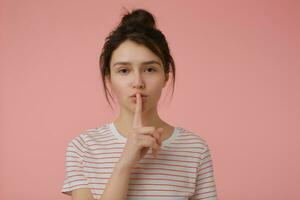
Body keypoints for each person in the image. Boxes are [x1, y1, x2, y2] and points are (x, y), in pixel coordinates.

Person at [61, 8, 218, 200]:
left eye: (150, 69)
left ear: (165, 77)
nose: (138, 82)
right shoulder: (83, 147)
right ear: (109, 78)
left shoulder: (195, 149)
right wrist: (125, 163)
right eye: (124, 70)